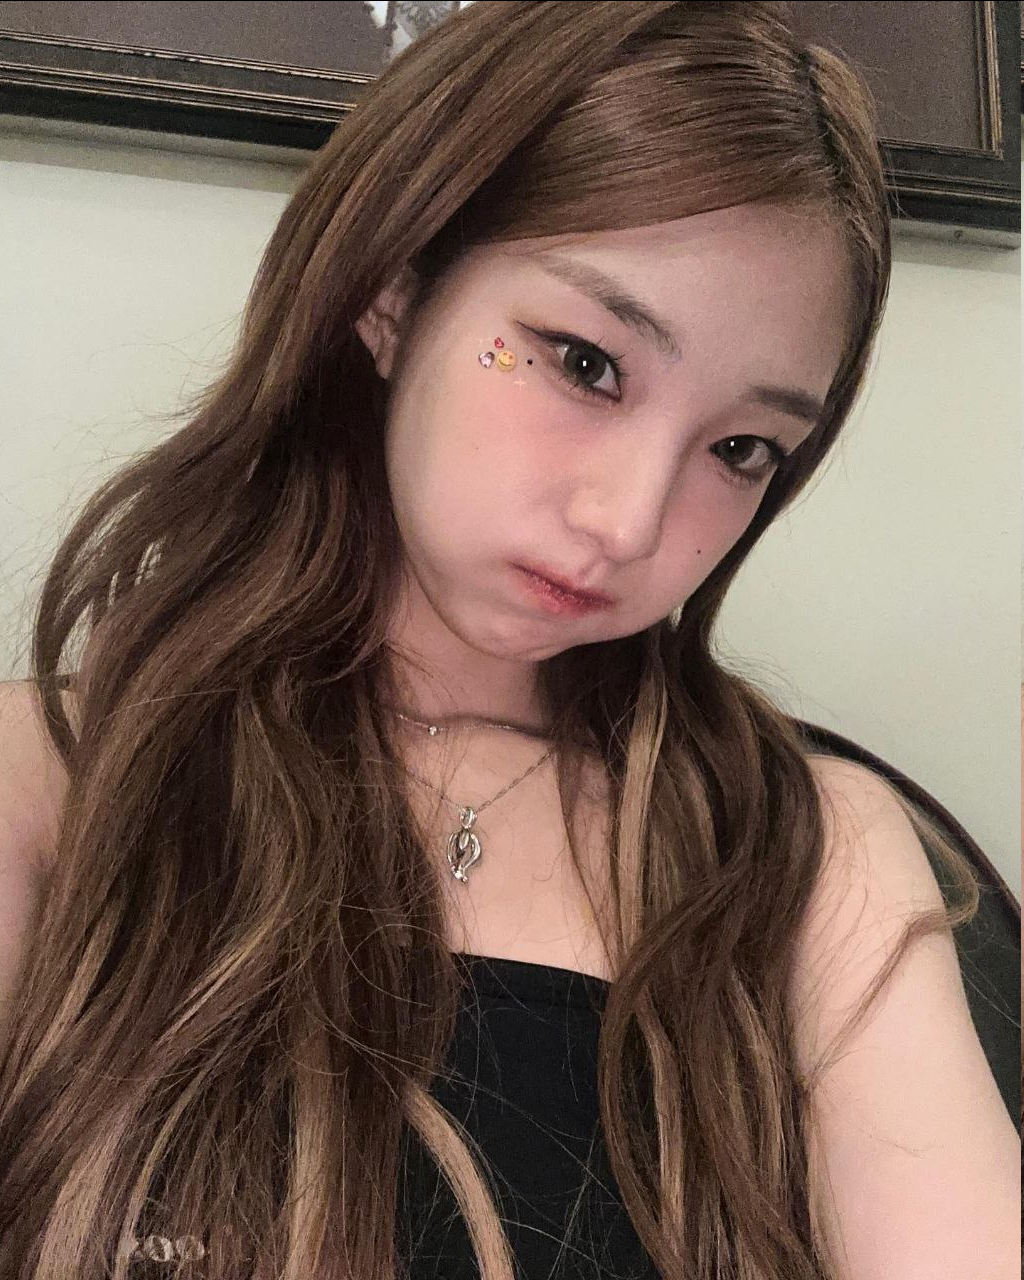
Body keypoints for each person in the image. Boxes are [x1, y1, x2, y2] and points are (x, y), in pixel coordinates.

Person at [0, 3, 1017, 1278]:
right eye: (584, 363)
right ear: (393, 288)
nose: (629, 522)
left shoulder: (808, 852)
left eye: (741, 447)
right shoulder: (54, 778)